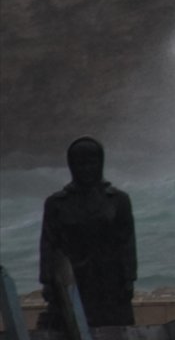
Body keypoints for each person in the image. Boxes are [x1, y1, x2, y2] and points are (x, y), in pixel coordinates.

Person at [38, 137, 136, 328]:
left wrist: (129, 278)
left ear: (101, 163)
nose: (86, 169)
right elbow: (48, 245)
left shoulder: (118, 200)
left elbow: (127, 243)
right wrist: (47, 282)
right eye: (80, 164)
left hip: (110, 281)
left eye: (92, 163)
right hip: (73, 279)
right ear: (71, 166)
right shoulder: (57, 203)